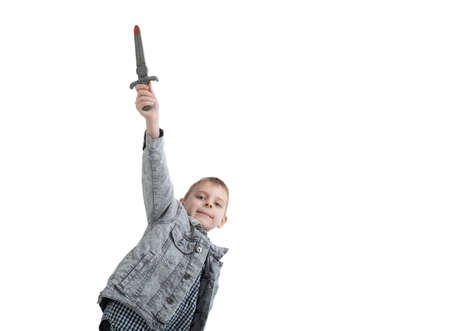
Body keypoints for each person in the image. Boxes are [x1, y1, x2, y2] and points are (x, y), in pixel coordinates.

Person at [97, 82, 230, 331]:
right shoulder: (170, 215)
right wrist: (153, 123)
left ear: (222, 220)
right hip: (132, 313)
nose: (209, 203)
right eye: (201, 197)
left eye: (217, 203)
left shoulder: (213, 261)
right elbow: (156, 173)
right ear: (182, 202)